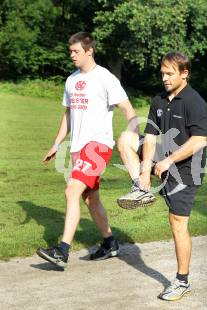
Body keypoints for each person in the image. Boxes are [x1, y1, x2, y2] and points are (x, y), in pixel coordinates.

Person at [36, 32, 138, 268]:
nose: (72, 55)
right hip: (78, 147)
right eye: (70, 51)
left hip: (98, 146)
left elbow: (127, 108)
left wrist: (134, 132)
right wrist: (57, 142)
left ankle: (62, 251)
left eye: (76, 51)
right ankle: (110, 242)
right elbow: (69, 114)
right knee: (91, 199)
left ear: (89, 51)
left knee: (71, 192)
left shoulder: (105, 77)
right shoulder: (71, 80)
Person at [118, 52, 207, 301]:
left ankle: (182, 282)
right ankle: (142, 188)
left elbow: (199, 140)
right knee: (126, 139)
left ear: (184, 73)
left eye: (170, 73)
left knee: (177, 223)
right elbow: (149, 136)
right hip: (163, 157)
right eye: (162, 73)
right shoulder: (158, 99)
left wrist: (168, 161)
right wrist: (145, 169)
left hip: (188, 168)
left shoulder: (194, 101)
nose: (165, 78)